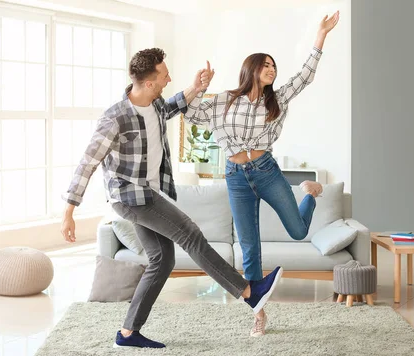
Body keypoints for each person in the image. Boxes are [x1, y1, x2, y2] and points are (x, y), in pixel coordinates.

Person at [60, 48, 283, 349]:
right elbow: (88, 162)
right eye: (164, 76)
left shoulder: (154, 105)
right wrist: (69, 210)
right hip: (130, 197)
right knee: (191, 234)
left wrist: (197, 87)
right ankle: (248, 292)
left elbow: (175, 105)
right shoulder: (115, 118)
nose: (169, 79)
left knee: (162, 259)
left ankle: (128, 333)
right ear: (150, 82)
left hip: (148, 192)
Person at [183, 11, 340, 337]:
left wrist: (320, 35)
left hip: (266, 171)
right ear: (251, 68)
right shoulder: (225, 100)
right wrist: (199, 87)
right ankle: (259, 313)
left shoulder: (277, 99)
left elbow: (305, 76)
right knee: (249, 248)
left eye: (274, 67)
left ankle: (311, 193)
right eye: (266, 65)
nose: (271, 70)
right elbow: (190, 113)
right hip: (235, 177)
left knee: (298, 231)